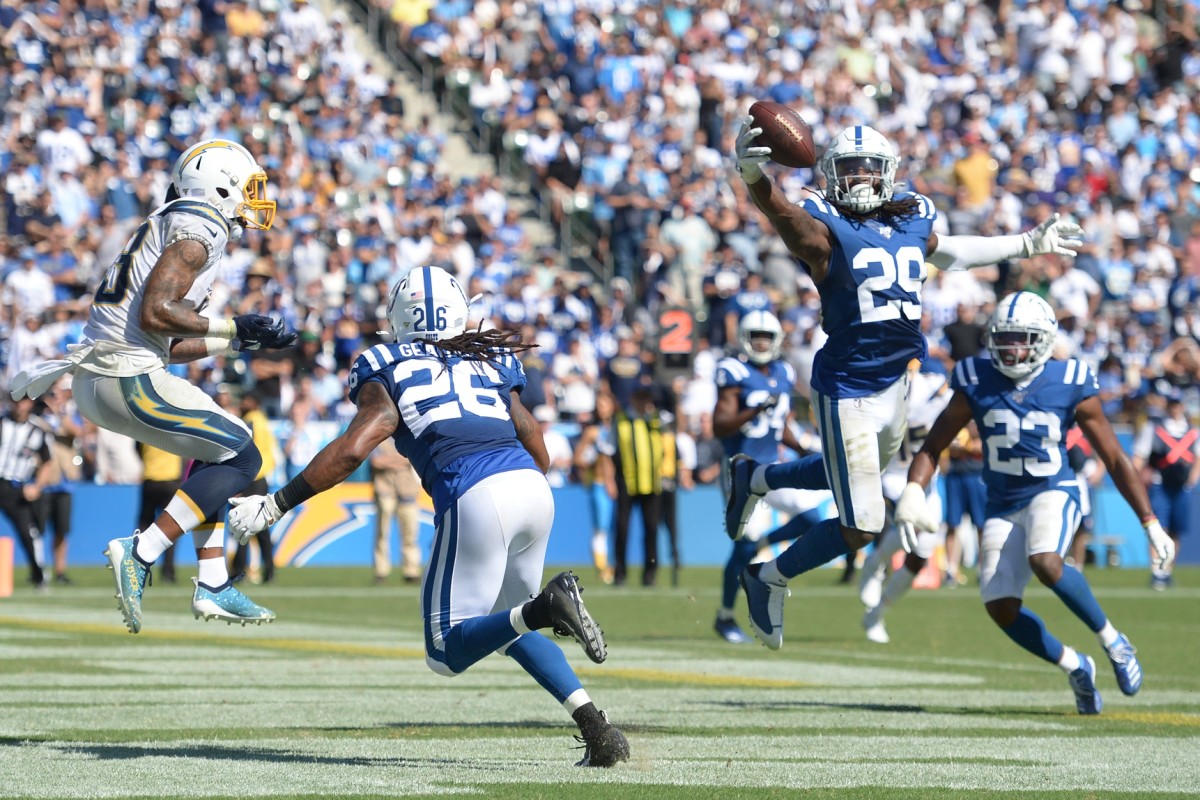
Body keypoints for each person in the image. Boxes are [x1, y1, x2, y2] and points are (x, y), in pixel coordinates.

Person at [226, 266, 629, 767]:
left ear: (398, 319)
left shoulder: (385, 362)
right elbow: (532, 440)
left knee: (445, 651)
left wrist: (275, 503)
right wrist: (520, 483)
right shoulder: (487, 357)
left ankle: (548, 609)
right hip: (532, 488)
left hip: (478, 493)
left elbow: (354, 449)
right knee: (507, 622)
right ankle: (597, 728)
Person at [729, 120, 1085, 649]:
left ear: (888, 172)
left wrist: (1026, 244)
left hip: (897, 383)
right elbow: (785, 218)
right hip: (847, 386)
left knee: (852, 477)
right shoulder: (823, 223)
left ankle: (756, 477)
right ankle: (766, 577)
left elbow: (952, 252)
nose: (859, 178)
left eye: (868, 167)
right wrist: (755, 174)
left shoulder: (912, 217)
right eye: (848, 169)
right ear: (829, 176)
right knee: (864, 523)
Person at [9, 139, 295, 634]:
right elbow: (156, 312)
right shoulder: (198, 228)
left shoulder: (176, 222)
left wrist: (236, 341)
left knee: (219, 450)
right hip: (126, 376)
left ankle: (212, 582)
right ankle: (140, 551)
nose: (254, 198)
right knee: (246, 457)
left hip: (108, 376)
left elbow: (168, 341)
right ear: (219, 186)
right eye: (247, 187)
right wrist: (230, 326)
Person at [897, 292, 1173, 714]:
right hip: (1002, 501)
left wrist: (1149, 521)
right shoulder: (975, 377)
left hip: (1053, 489)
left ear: (1043, 340)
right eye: (1004, 339)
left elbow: (1114, 456)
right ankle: (1075, 666)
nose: (1011, 348)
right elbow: (933, 446)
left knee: (1045, 559)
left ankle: (1114, 642)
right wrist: (912, 491)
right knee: (1000, 606)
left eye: (1021, 339)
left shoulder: (1070, 381)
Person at [712, 311, 826, 644]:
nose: (761, 341)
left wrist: (803, 448)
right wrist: (754, 410)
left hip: (771, 469)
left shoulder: (782, 371)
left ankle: (763, 545)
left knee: (811, 518)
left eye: (766, 335)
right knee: (743, 546)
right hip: (740, 471)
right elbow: (720, 426)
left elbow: (779, 427)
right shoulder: (733, 372)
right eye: (756, 335)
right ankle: (725, 616)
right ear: (745, 338)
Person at [857, 359, 954, 644]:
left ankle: (876, 613)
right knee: (912, 526)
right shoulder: (881, 394)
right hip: (892, 477)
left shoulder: (934, 393)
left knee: (920, 555)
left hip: (928, 482)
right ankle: (875, 563)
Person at [1132, 392, 1198, 590]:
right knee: (1158, 527)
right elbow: (1140, 456)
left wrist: (1191, 481)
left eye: (1178, 404)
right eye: (1172, 404)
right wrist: (1138, 478)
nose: (1175, 408)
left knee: (1176, 530)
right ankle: (1157, 570)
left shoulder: (1192, 431)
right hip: (1160, 483)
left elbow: (1197, 458)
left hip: (1181, 486)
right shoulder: (1154, 428)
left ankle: (1167, 569)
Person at [0, 396, 54, 589]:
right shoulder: (2, 423)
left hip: (16, 488)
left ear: (30, 403)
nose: (19, 405)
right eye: (16, 401)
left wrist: (37, 486)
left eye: (23, 401)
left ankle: (39, 575)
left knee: (28, 533)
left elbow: (47, 461)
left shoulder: (37, 431)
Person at [230, 392, 279, 584]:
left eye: (245, 400)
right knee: (262, 528)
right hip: (262, 477)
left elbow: (245, 449)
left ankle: (238, 571)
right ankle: (270, 569)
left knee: (243, 525)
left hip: (252, 477)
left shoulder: (250, 421)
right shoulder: (263, 420)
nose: (242, 403)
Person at [369, 437, 421, 585]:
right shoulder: (379, 438)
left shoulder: (411, 436)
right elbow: (376, 462)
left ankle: (411, 570)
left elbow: (412, 460)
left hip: (407, 490)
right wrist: (400, 462)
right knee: (382, 533)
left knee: (410, 533)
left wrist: (389, 461)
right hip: (385, 488)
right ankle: (381, 571)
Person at [137, 443, 184, 584]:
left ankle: (139, 568)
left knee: (144, 527)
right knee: (171, 528)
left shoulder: (146, 427)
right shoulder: (174, 427)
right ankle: (168, 573)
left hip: (150, 479)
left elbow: (138, 449)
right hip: (171, 480)